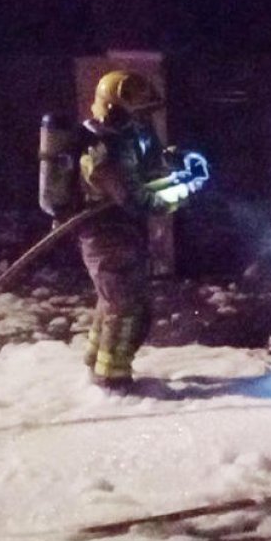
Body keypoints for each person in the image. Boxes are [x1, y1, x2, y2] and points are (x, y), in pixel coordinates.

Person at [78, 71, 207, 392]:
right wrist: (187, 190)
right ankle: (111, 379)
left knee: (115, 302)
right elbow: (138, 200)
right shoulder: (100, 151)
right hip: (105, 237)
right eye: (137, 113)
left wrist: (179, 162)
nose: (143, 120)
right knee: (126, 309)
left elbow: (149, 169)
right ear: (114, 111)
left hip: (124, 234)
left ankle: (96, 361)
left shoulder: (128, 136)